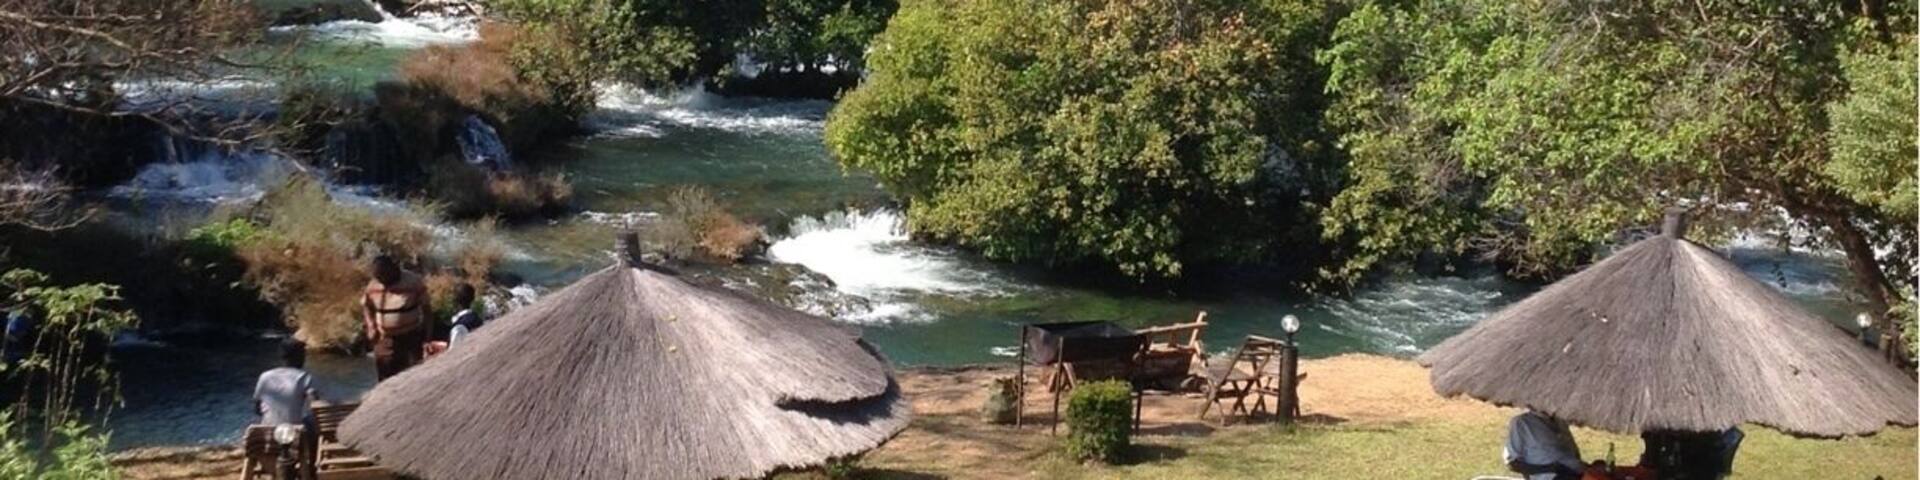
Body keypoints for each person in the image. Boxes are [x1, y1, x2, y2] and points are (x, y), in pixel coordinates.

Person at [254, 338, 318, 480]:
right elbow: (315, 403)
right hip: (293, 436)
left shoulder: (265, 377)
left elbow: (257, 408)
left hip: (264, 436)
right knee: (312, 423)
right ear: (298, 357)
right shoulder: (304, 377)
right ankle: (312, 469)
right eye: (303, 354)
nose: (304, 359)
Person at [362, 255, 430, 380]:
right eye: (379, 277)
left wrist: (427, 337)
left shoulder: (413, 281)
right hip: (385, 340)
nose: (382, 280)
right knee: (386, 379)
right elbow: (366, 306)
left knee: (412, 377)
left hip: (410, 338)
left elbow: (427, 309)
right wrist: (371, 326)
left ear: (393, 269)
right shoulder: (373, 285)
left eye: (384, 276)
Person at [1505, 409, 1585, 480]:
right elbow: (1512, 463)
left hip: (1577, 472)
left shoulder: (1560, 421)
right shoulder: (1522, 422)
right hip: (1553, 476)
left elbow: (1574, 455)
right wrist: (1551, 468)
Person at [446, 283, 484, 349]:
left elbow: (453, 352)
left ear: (455, 300)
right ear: (473, 298)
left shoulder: (458, 328)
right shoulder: (478, 320)